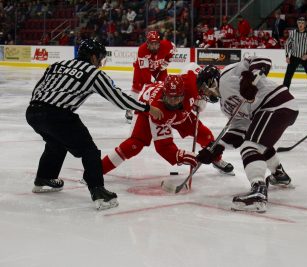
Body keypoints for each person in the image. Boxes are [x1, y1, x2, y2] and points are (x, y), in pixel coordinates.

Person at [25, 39, 163, 210]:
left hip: (32, 112)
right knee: (89, 151)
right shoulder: (93, 74)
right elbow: (118, 99)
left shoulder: (57, 64)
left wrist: (40, 110)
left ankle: (44, 178)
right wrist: (147, 107)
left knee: (56, 143)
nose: (100, 62)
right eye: (99, 58)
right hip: (58, 114)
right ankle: (98, 191)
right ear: (92, 57)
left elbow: (38, 89)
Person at [196, 56, 299, 213]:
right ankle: (279, 175)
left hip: (276, 103)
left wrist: (248, 78)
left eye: (203, 88)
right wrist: (216, 148)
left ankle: (258, 191)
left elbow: (261, 60)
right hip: (273, 109)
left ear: (210, 81)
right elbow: (240, 129)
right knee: (258, 143)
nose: (204, 93)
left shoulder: (226, 76)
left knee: (250, 146)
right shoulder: (225, 107)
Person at [102, 69, 234, 178]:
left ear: (183, 94)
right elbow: (163, 146)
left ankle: (216, 159)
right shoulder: (159, 113)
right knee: (134, 144)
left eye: (177, 98)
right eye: (169, 98)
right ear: (163, 96)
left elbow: (193, 71)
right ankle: (98, 170)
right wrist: (179, 155)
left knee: (205, 135)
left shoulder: (191, 83)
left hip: (180, 111)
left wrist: (198, 98)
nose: (173, 101)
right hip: (148, 111)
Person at [126, 31, 176, 121]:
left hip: (159, 68)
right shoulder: (142, 50)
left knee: (165, 86)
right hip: (141, 68)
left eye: (156, 44)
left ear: (159, 42)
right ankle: (129, 108)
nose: (153, 46)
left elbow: (173, 51)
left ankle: (163, 108)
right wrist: (152, 83)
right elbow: (145, 71)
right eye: (151, 44)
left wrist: (166, 62)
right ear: (147, 43)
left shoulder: (167, 45)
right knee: (137, 87)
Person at [283, 17, 307, 99]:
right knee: (288, 75)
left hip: (305, 57)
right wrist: (287, 56)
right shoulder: (293, 33)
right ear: (297, 23)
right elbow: (287, 44)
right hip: (294, 56)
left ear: (305, 24)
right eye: (299, 23)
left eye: (302, 23)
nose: (300, 24)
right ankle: (284, 91)